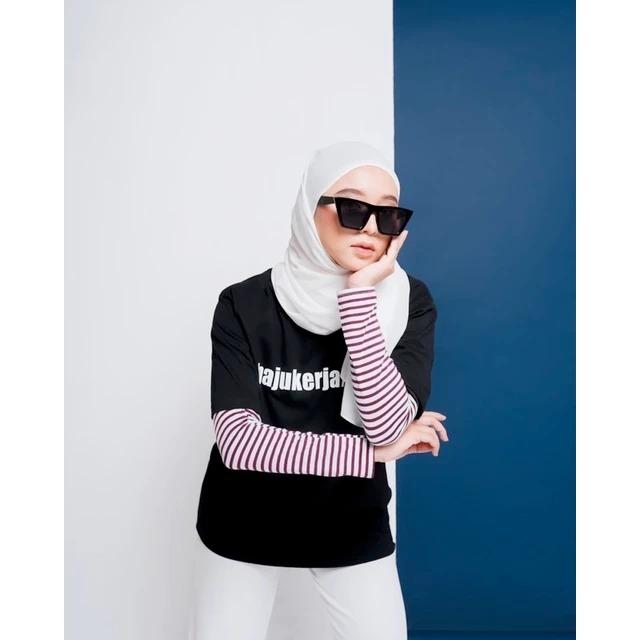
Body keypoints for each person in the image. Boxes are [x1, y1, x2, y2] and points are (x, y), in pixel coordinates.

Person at [189, 140, 449, 640]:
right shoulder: (244, 303)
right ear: (311, 207)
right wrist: (368, 454)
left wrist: (360, 297)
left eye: (387, 215)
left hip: (349, 519)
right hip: (243, 521)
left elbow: (386, 426)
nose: (370, 227)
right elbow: (239, 444)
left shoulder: (409, 302)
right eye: (352, 208)